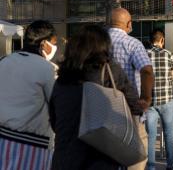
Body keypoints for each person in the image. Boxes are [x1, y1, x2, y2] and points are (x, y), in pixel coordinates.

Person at [49, 24, 143, 170]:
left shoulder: (62, 78)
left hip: (64, 159)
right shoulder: (110, 70)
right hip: (101, 158)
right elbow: (135, 105)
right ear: (104, 45)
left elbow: (54, 121)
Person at [0, 20, 57, 170]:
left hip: (3, 141)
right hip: (33, 145)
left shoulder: (4, 61)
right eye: (54, 42)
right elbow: (55, 104)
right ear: (44, 43)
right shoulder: (46, 69)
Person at [108, 8, 154, 170]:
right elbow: (147, 71)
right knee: (136, 158)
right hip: (129, 111)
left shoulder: (98, 43)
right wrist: (146, 98)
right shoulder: (133, 44)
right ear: (128, 24)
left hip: (102, 111)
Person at [146, 29, 173, 170]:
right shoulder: (168, 54)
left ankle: (151, 167)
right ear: (162, 40)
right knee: (169, 133)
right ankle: (170, 164)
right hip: (167, 100)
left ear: (150, 41)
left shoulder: (145, 54)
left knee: (151, 136)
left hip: (150, 101)